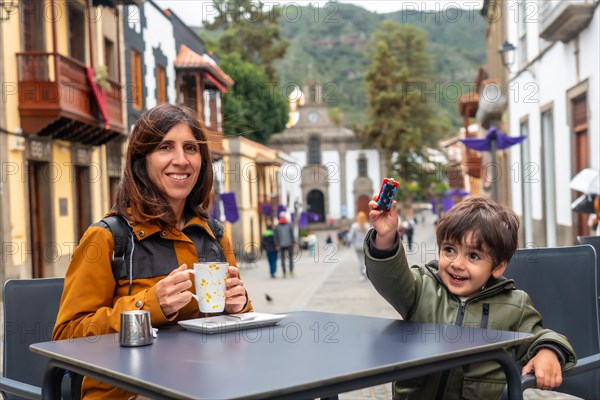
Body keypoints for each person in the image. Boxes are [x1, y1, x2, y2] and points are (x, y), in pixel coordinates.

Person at [52, 104, 253, 399]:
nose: (181, 160)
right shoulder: (108, 238)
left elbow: (237, 330)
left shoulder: (214, 234)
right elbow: (66, 336)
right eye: (165, 147)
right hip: (129, 392)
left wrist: (239, 306)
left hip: (204, 383)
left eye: (191, 148)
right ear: (141, 159)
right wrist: (148, 305)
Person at [365, 196, 576, 400]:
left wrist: (548, 352)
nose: (457, 263)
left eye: (473, 256)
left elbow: (539, 335)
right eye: (449, 250)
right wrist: (385, 238)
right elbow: (389, 277)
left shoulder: (514, 303)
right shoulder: (420, 288)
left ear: (498, 266)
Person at [348, 211, 371, 280]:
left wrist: (349, 243)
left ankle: (362, 274)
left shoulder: (354, 226)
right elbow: (369, 236)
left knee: (360, 260)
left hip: (357, 246)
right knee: (366, 260)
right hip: (365, 246)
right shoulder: (367, 225)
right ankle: (366, 272)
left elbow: (351, 236)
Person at [274, 212, 296, 277]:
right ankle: (291, 271)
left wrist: (277, 244)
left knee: (283, 259)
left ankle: (284, 273)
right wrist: (293, 242)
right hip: (289, 244)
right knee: (290, 258)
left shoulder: (277, 226)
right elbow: (292, 235)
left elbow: (276, 236)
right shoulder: (289, 225)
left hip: (281, 245)